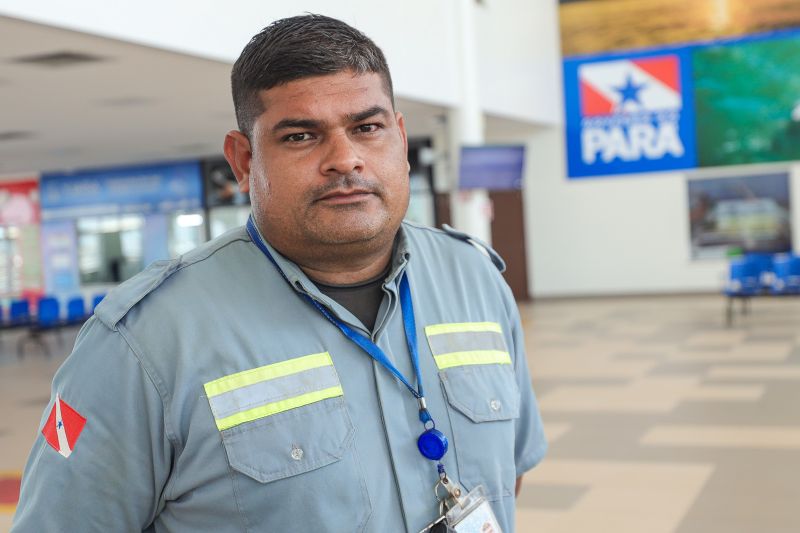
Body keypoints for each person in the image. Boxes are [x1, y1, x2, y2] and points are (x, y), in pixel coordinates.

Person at [12, 14, 546, 532]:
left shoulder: (475, 280)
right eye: (300, 136)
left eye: (367, 128)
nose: (345, 159)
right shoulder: (145, 341)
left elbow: (508, 475)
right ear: (244, 161)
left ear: (401, 140)